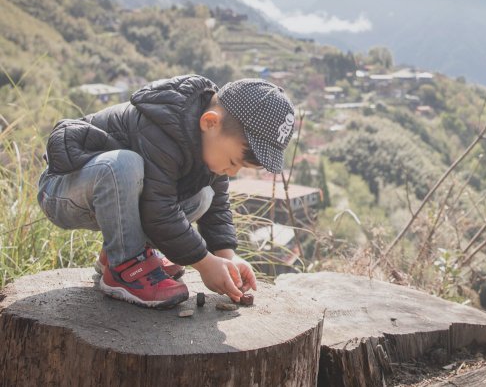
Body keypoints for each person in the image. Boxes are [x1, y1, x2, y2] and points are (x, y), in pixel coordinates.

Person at [36, 74, 297, 309]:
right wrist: (204, 264)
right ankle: (124, 267)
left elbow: (216, 207)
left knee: (204, 196)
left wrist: (227, 257)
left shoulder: (207, 145)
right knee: (124, 165)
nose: (231, 172)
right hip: (65, 187)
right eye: (233, 162)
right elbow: (157, 210)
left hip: (113, 198)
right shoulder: (161, 126)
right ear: (210, 123)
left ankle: (120, 255)